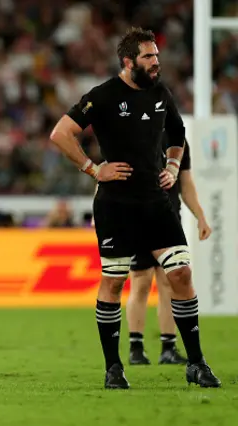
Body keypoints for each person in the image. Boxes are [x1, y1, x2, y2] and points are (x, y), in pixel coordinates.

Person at [50, 27, 220, 389]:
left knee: (181, 275)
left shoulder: (161, 93)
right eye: (148, 57)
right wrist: (93, 168)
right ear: (128, 62)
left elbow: (178, 134)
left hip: (156, 204)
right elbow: (60, 133)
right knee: (114, 282)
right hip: (116, 206)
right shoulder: (104, 96)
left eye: (156, 55)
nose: (156, 62)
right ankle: (114, 368)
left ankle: (197, 363)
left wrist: (173, 166)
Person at [127, 141, 212, 366]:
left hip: (169, 218)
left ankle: (168, 347)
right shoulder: (134, 129)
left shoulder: (179, 141)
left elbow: (185, 183)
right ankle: (136, 347)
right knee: (141, 280)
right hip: (138, 217)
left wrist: (200, 216)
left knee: (169, 281)